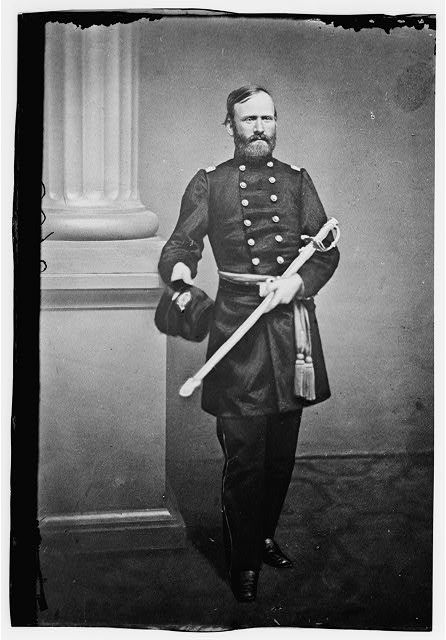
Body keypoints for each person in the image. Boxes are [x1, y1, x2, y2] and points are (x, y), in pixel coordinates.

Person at [158, 85, 339, 602]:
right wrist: (179, 274)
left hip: (290, 331)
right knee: (244, 457)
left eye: (267, 118)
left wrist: (297, 283)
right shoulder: (210, 182)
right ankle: (243, 562)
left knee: (280, 454)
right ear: (230, 126)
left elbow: (325, 249)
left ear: (275, 123)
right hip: (237, 326)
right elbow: (181, 244)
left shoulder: (298, 181)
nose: (259, 128)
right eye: (248, 119)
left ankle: (262, 536)